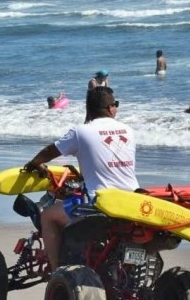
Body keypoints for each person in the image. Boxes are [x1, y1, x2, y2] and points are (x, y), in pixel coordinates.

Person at [24, 86, 138, 271]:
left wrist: (35, 163)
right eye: (115, 104)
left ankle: (56, 272)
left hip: (98, 204)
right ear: (110, 108)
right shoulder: (128, 130)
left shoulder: (81, 132)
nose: (116, 108)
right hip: (132, 200)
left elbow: (49, 151)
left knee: (48, 215)